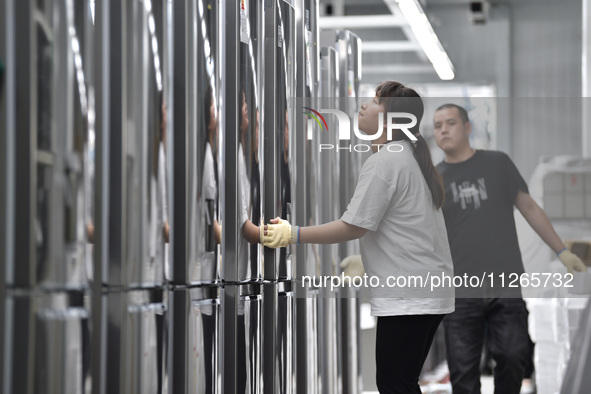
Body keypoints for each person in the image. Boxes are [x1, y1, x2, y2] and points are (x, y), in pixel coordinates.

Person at [262, 81, 455, 394]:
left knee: (395, 384)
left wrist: (293, 234)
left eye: (376, 101)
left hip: (410, 296)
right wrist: (369, 261)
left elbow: (353, 225)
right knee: (401, 382)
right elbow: (408, 229)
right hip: (424, 291)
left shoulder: (387, 160)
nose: (365, 104)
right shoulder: (406, 156)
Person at [432, 103, 587, 394]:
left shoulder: (497, 164)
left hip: (505, 282)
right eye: (437, 125)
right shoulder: (435, 179)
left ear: (467, 128)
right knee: (463, 373)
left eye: (450, 123)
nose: (443, 130)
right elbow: (422, 230)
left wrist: (561, 251)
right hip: (460, 289)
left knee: (513, 356)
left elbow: (528, 206)